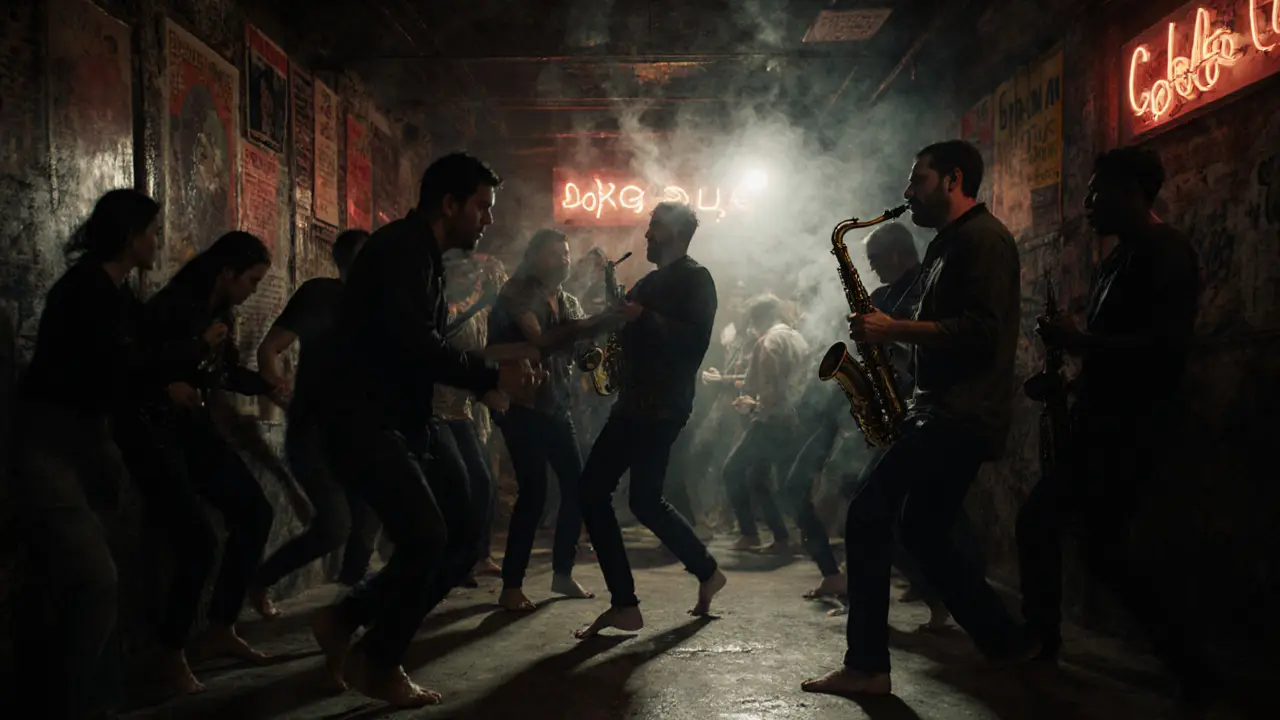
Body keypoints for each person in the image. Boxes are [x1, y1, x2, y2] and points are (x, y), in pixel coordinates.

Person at [803, 140, 1038, 697]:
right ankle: (1006, 642)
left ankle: (867, 666)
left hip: (958, 413)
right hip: (939, 409)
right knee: (922, 531)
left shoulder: (984, 240)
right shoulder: (947, 245)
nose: (908, 193)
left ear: (953, 179)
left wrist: (892, 330)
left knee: (867, 513)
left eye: (919, 181)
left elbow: (982, 331)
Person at [308, 152, 537, 708]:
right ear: (450, 203)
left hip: (404, 418)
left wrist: (485, 386)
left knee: (464, 537)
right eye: (481, 206)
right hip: (364, 418)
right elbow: (413, 346)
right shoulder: (401, 251)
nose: (487, 220)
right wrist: (488, 372)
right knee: (428, 537)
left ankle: (347, 618)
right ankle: (377, 659)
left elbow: (419, 353)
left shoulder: (424, 255)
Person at [1016, 147, 1217, 711]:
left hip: (1133, 424)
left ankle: (1044, 642)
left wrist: (1078, 342)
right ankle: (1187, 666)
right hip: (1103, 418)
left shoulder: (1166, 254)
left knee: (1051, 527)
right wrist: (1071, 382)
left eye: (1096, 191)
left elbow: (1164, 348)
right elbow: (1115, 354)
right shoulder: (1116, 260)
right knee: (1104, 552)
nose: (1085, 203)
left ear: (1132, 190)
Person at [6, 190, 157, 719]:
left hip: (81, 444)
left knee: (86, 582)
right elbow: (107, 374)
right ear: (130, 236)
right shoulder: (86, 291)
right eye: (151, 231)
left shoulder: (113, 294)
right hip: (49, 444)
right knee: (94, 581)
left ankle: (86, 696)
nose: (157, 242)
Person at [114, 231, 285, 694]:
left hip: (192, 429)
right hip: (155, 432)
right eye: (250, 279)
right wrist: (195, 345)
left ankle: (220, 627)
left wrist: (266, 386)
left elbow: (220, 372)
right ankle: (168, 653)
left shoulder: (219, 312)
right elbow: (138, 366)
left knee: (256, 512)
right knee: (198, 543)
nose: (253, 288)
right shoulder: (173, 306)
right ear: (226, 272)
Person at [573, 201, 728, 640]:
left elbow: (695, 342)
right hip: (638, 401)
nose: (646, 236)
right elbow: (622, 327)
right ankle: (706, 569)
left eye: (654, 228)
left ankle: (624, 604)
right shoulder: (648, 280)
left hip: (659, 404)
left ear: (675, 234)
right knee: (644, 499)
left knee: (591, 490)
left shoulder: (697, 278)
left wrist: (644, 318)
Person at [249, 230, 381, 612]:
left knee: (368, 522)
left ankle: (349, 609)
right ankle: (261, 580)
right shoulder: (321, 294)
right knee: (335, 526)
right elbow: (270, 348)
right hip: (314, 430)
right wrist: (275, 384)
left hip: (360, 431)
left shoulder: (380, 304)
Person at [488, 229, 620, 611]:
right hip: (522, 405)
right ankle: (511, 585)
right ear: (535, 258)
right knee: (533, 494)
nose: (563, 260)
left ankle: (562, 573)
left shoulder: (568, 300)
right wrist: (597, 322)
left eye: (565, 253)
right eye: (553, 254)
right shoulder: (516, 293)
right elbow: (541, 337)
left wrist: (593, 347)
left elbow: (580, 352)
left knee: (577, 488)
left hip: (556, 406)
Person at [723, 293, 809, 553]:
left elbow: (768, 386)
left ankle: (751, 533)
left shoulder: (768, 341)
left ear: (756, 320)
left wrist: (754, 404)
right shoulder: (797, 338)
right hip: (795, 417)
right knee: (763, 478)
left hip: (771, 418)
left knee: (732, 470)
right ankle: (784, 537)